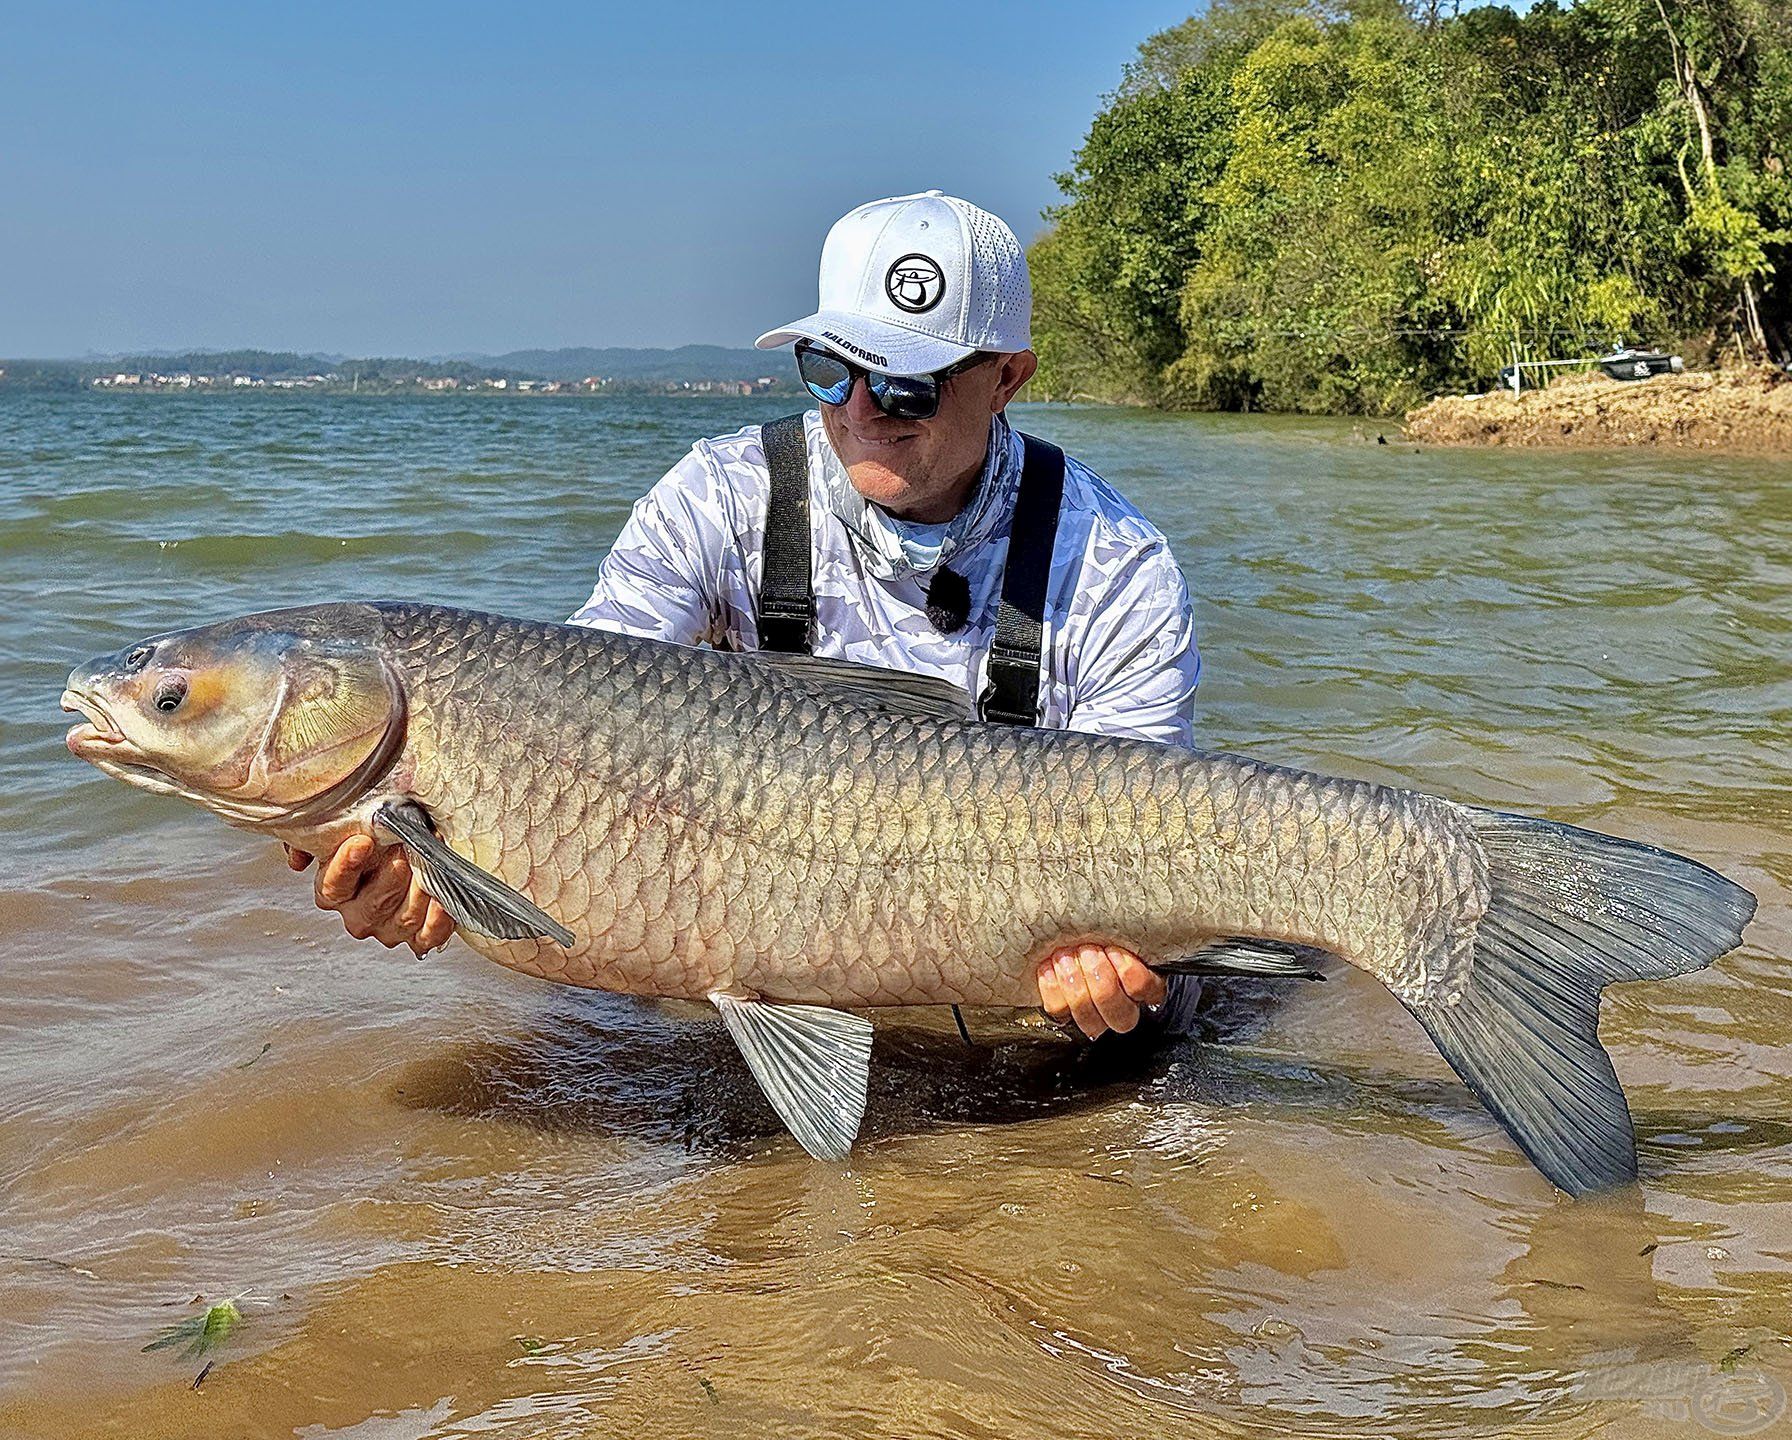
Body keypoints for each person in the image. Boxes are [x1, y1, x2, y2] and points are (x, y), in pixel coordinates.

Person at [287, 190, 1200, 1040]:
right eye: (831, 370)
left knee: (1152, 1022)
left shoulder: (1117, 563)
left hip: (1018, 967)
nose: (861, 411)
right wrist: (444, 856)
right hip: (756, 941)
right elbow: (577, 709)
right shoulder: (718, 495)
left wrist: (1116, 957)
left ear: (1007, 379)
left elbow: (1149, 823)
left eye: (906, 387)